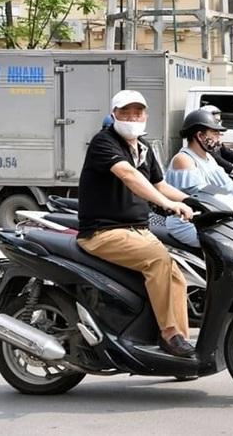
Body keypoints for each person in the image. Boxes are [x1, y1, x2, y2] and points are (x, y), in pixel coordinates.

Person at [77, 90, 196, 358]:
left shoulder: (143, 147)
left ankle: (180, 347)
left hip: (138, 230)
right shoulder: (104, 142)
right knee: (158, 261)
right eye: (125, 112)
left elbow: (160, 184)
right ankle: (170, 336)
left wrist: (194, 201)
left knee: (176, 274)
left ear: (146, 116)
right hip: (104, 232)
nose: (132, 118)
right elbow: (128, 175)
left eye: (138, 112)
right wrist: (167, 205)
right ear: (113, 115)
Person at [164, 109, 233, 248]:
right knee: (230, 248)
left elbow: (227, 184)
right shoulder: (183, 159)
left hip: (210, 219)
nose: (219, 138)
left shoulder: (208, 158)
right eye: (215, 133)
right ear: (200, 136)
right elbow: (201, 193)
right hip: (186, 223)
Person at [200, 105, 233, 180]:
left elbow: (226, 152)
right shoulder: (203, 143)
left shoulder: (214, 140)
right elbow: (214, 157)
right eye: (216, 121)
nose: (219, 124)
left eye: (220, 121)